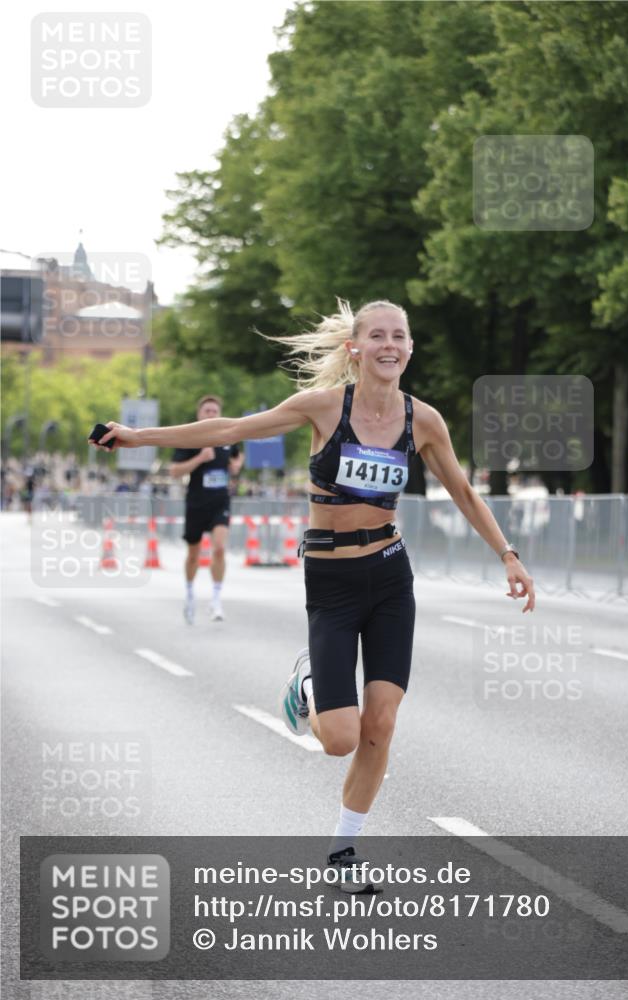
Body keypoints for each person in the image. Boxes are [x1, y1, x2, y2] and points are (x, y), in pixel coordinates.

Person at [90, 299, 535, 890]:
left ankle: (344, 850)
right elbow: (229, 429)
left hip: (390, 575)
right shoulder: (324, 407)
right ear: (355, 347)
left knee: (381, 722)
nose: (388, 345)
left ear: (409, 348)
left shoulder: (423, 420)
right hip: (331, 580)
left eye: (398, 336)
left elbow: (464, 492)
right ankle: (306, 687)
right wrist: (138, 437)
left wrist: (508, 554)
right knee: (340, 739)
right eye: (377, 335)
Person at [168, 395, 244, 623]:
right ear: (199, 414)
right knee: (194, 554)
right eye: (207, 411)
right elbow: (174, 472)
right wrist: (200, 458)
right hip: (196, 503)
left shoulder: (228, 437)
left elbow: (237, 458)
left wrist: (236, 466)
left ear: (220, 414)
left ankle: (216, 600)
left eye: (214, 411)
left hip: (220, 501)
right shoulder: (189, 439)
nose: (211, 414)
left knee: (219, 549)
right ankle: (190, 593)